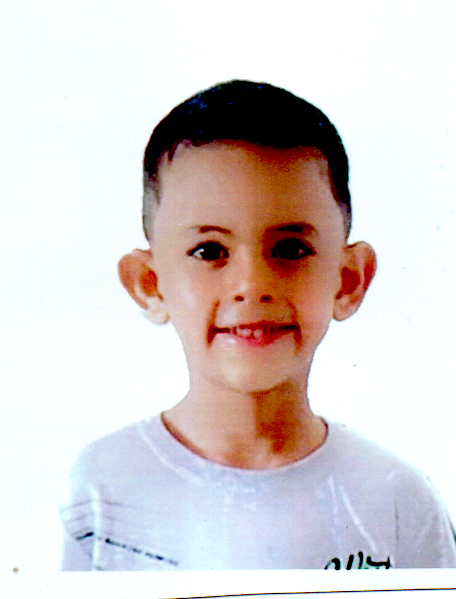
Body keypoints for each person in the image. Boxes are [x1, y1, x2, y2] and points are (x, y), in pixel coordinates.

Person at [60, 80, 456, 570]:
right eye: (210, 251)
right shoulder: (97, 492)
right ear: (150, 283)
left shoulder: (396, 501)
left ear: (349, 279)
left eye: (290, 249)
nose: (251, 285)